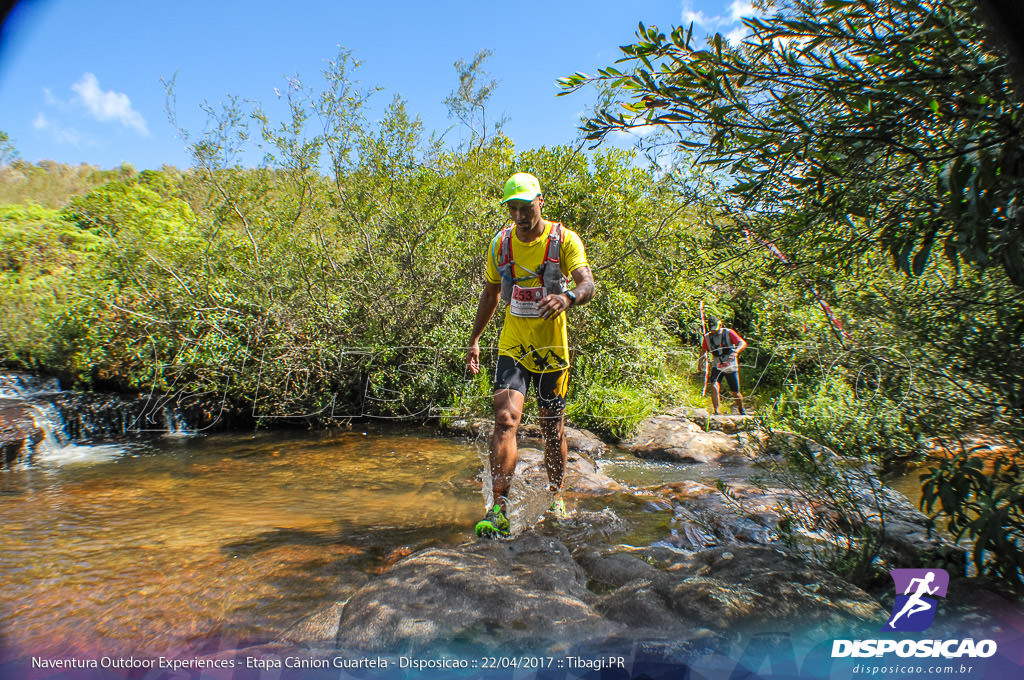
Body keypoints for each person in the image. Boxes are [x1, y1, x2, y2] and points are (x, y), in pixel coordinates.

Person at [466, 172, 595, 539]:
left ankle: (556, 496)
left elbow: (587, 283)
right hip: (513, 347)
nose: (520, 215)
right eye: (513, 208)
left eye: (526, 206)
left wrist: (568, 297)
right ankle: (499, 509)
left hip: (553, 351)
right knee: (506, 419)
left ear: (541, 201)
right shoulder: (500, 245)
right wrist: (475, 339)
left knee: (552, 430)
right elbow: (490, 294)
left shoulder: (564, 240)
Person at [701, 316, 748, 415]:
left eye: (716, 329)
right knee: (714, 385)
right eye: (712, 330)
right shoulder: (707, 337)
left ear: (720, 325)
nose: (714, 332)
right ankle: (716, 411)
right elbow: (703, 350)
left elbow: (742, 343)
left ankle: (741, 408)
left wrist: (735, 352)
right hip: (717, 364)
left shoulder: (728, 332)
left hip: (730, 364)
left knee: (735, 392)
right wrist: (700, 362)